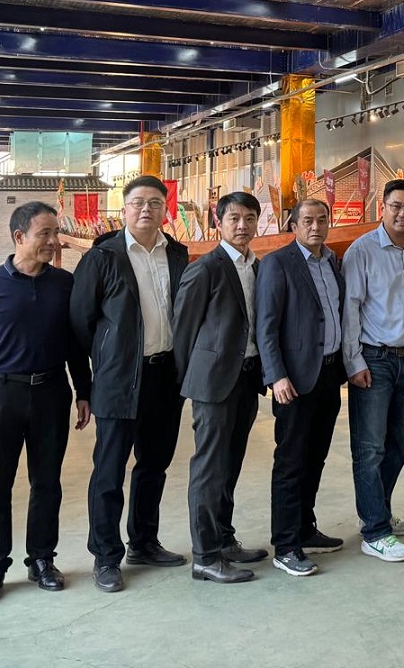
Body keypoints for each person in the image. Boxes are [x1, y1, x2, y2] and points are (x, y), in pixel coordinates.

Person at [0, 202, 91, 608]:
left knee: (47, 483)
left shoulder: (64, 284)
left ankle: (42, 560)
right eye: (45, 233)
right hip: (0, 394)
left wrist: (84, 391)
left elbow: (75, 344)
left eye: (55, 233)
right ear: (19, 237)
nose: (54, 241)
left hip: (51, 392)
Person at [70, 175, 191, 592]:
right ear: (124, 209)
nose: (146, 209)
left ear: (165, 209)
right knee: (110, 469)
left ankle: (144, 542)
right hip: (119, 378)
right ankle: (106, 556)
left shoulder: (176, 253)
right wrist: (86, 385)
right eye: (138, 202)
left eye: (155, 203)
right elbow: (79, 326)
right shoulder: (103, 257)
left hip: (165, 376)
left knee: (154, 464)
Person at [172, 191, 269, 584]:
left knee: (230, 464)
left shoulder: (257, 266)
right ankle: (205, 556)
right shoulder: (205, 269)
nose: (242, 226)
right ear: (219, 222)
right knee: (209, 468)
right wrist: (189, 382)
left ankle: (225, 539)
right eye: (234, 218)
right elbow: (183, 331)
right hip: (213, 383)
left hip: (247, 377)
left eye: (249, 218)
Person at [342, 178, 404, 562]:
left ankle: (378, 511)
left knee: (396, 445)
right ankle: (375, 532)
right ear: (382, 207)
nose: (402, 213)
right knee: (369, 448)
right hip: (374, 360)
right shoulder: (362, 250)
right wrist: (354, 362)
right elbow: (349, 309)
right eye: (396, 206)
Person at [255, 198, 348, 578]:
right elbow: (266, 324)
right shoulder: (278, 263)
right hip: (293, 380)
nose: (315, 226)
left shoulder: (332, 261)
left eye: (322, 219)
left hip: (329, 375)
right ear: (293, 225)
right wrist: (276, 375)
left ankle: (306, 528)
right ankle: (286, 544)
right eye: (307, 220)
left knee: (316, 457)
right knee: (291, 462)